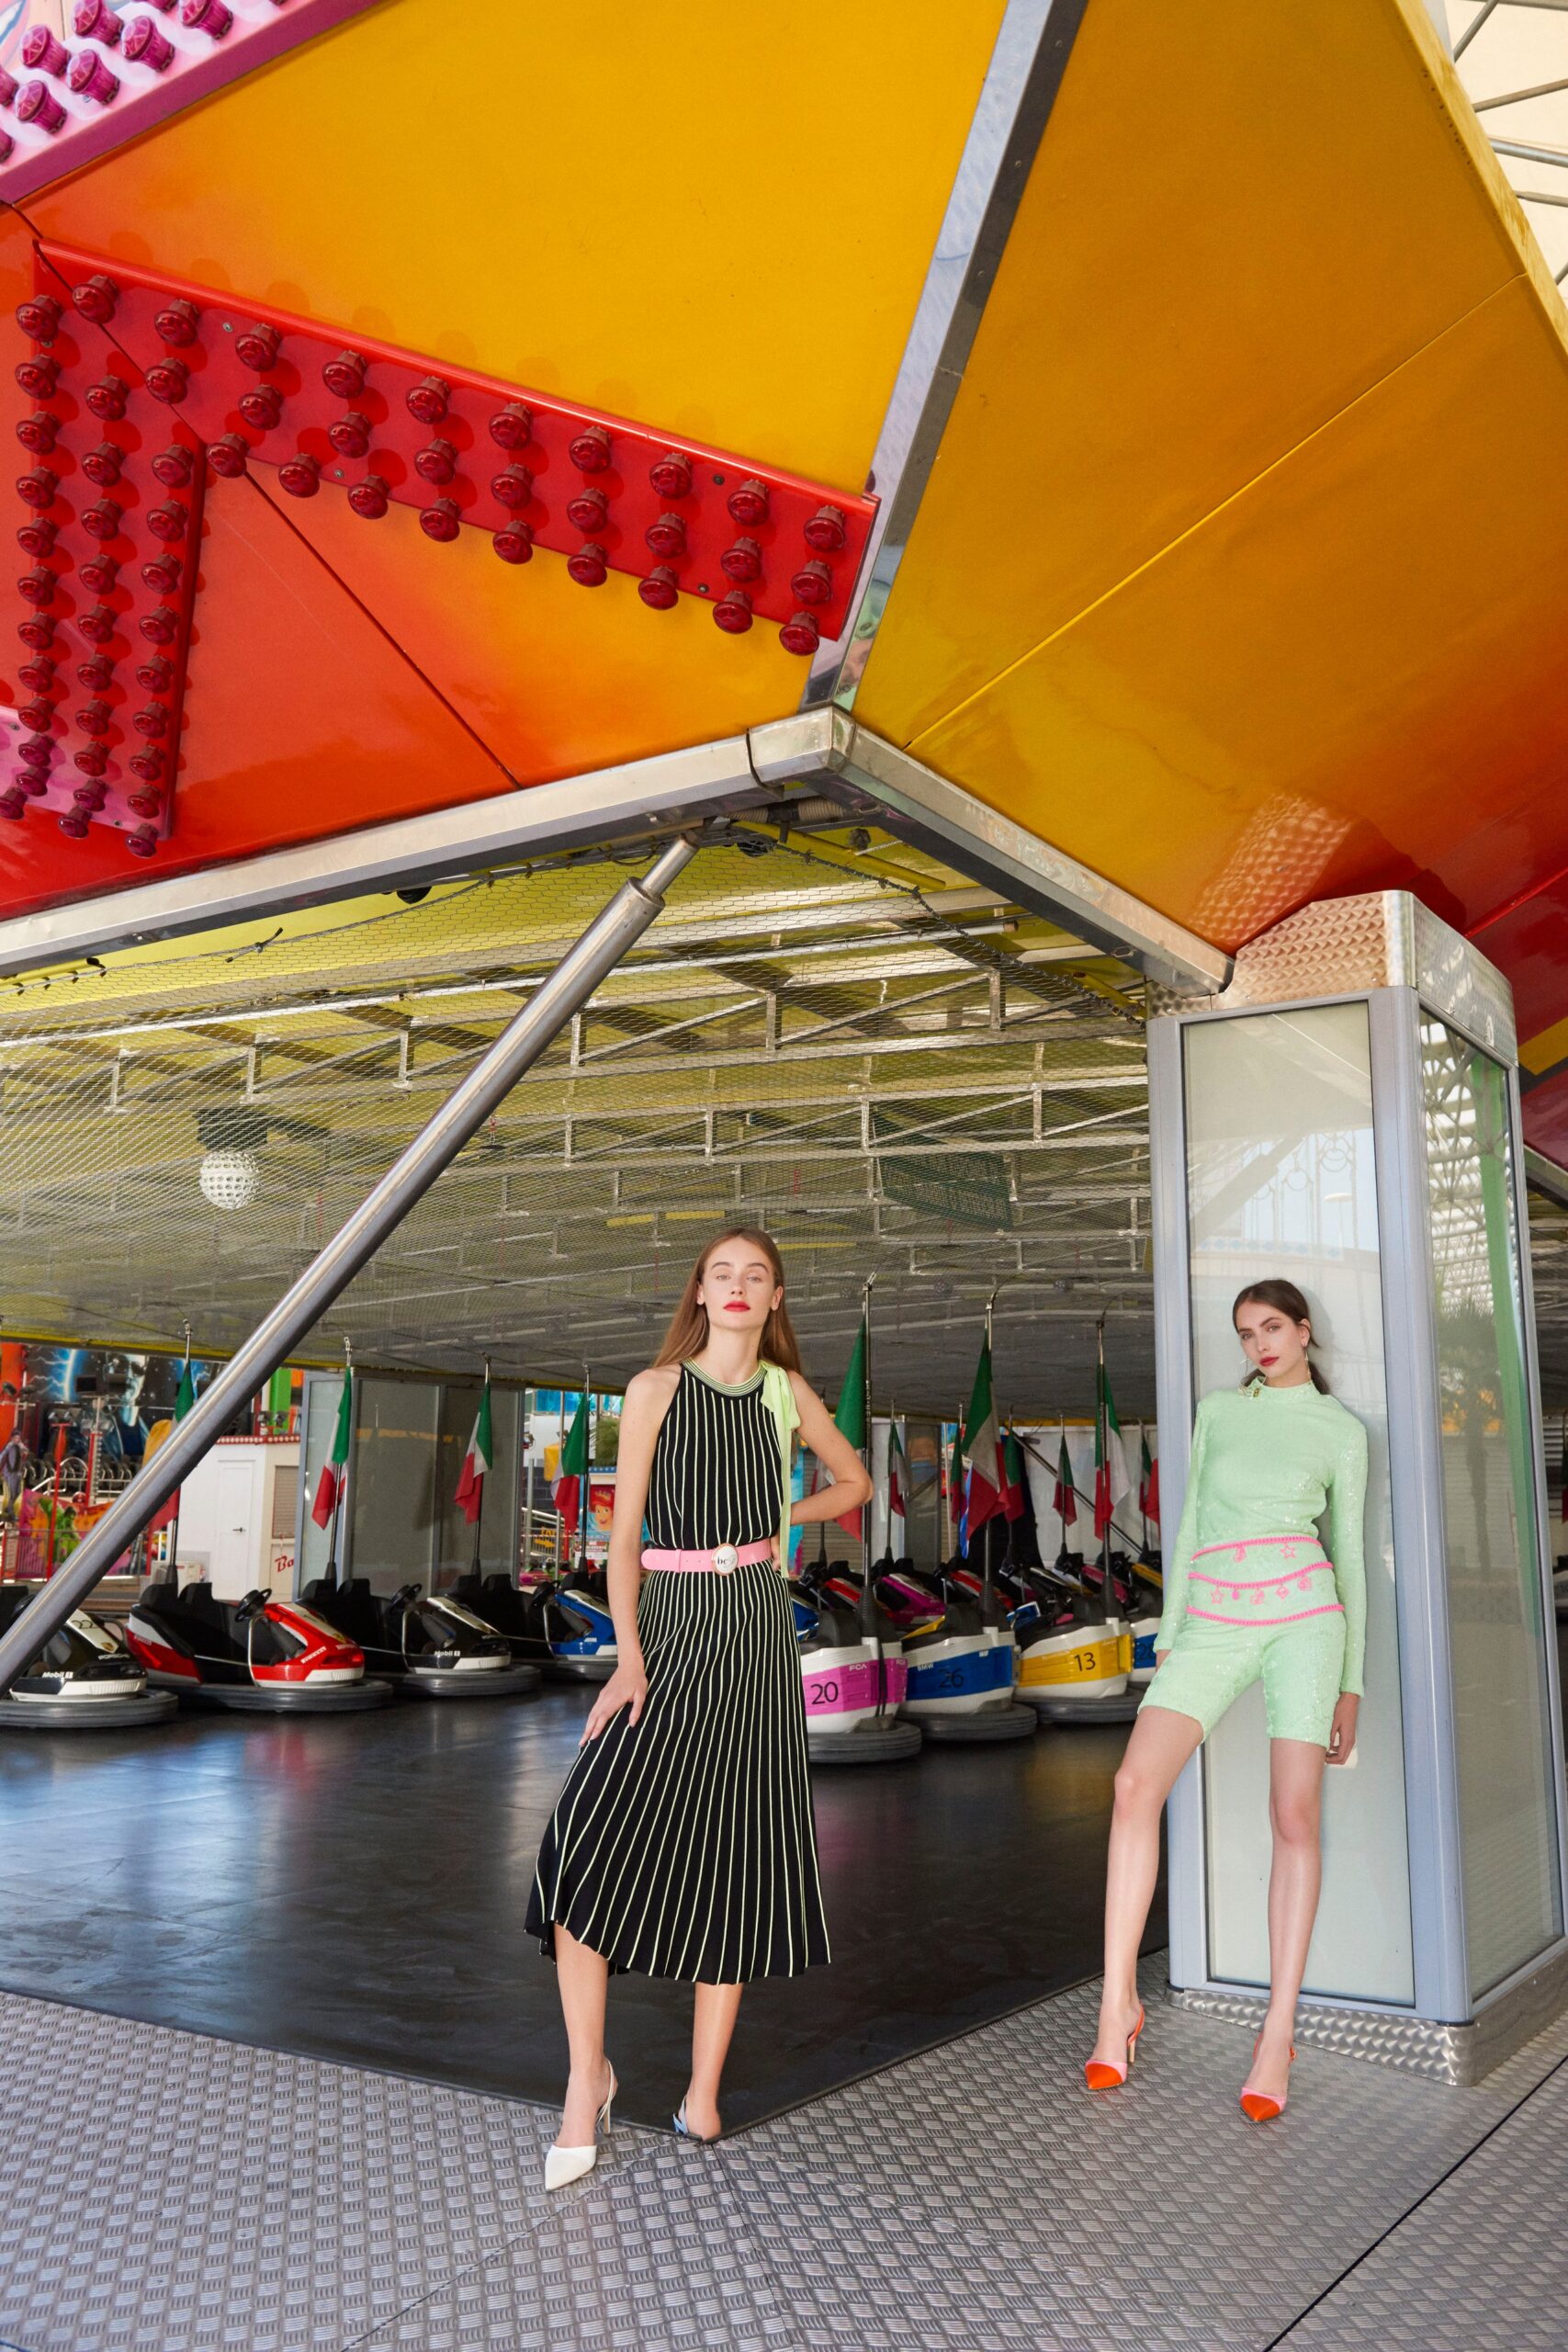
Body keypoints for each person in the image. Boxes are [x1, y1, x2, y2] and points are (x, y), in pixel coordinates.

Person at [526, 1227, 872, 2187]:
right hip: (669, 1629)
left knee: (739, 1854)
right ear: (701, 1291)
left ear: (774, 1298)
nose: (737, 1287)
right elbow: (624, 1540)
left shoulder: (783, 1391)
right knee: (581, 1844)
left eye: (754, 1276)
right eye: (721, 1273)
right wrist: (628, 1659)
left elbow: (858, 1484)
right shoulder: (654, 1390)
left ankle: (702, 2096)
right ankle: (585, 2076)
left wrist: (778, 1522)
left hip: (756, 1630)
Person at [1086, 1278, 1367, 2121]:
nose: (1259, 1345)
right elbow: (1192, 1520)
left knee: (1293, 1818)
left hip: (1306, 1624)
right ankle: (1116, 2005)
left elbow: (1347, 1557)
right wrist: (1170, 1632)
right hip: (1210, 1617)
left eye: (1272, 1327)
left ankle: (1276, 2031)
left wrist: (1349, 1681)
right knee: (1133, 1788)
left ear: (1304, 1330)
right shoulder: (1218, 1410)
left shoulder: (1340, 1432)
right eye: (1246, 1333)